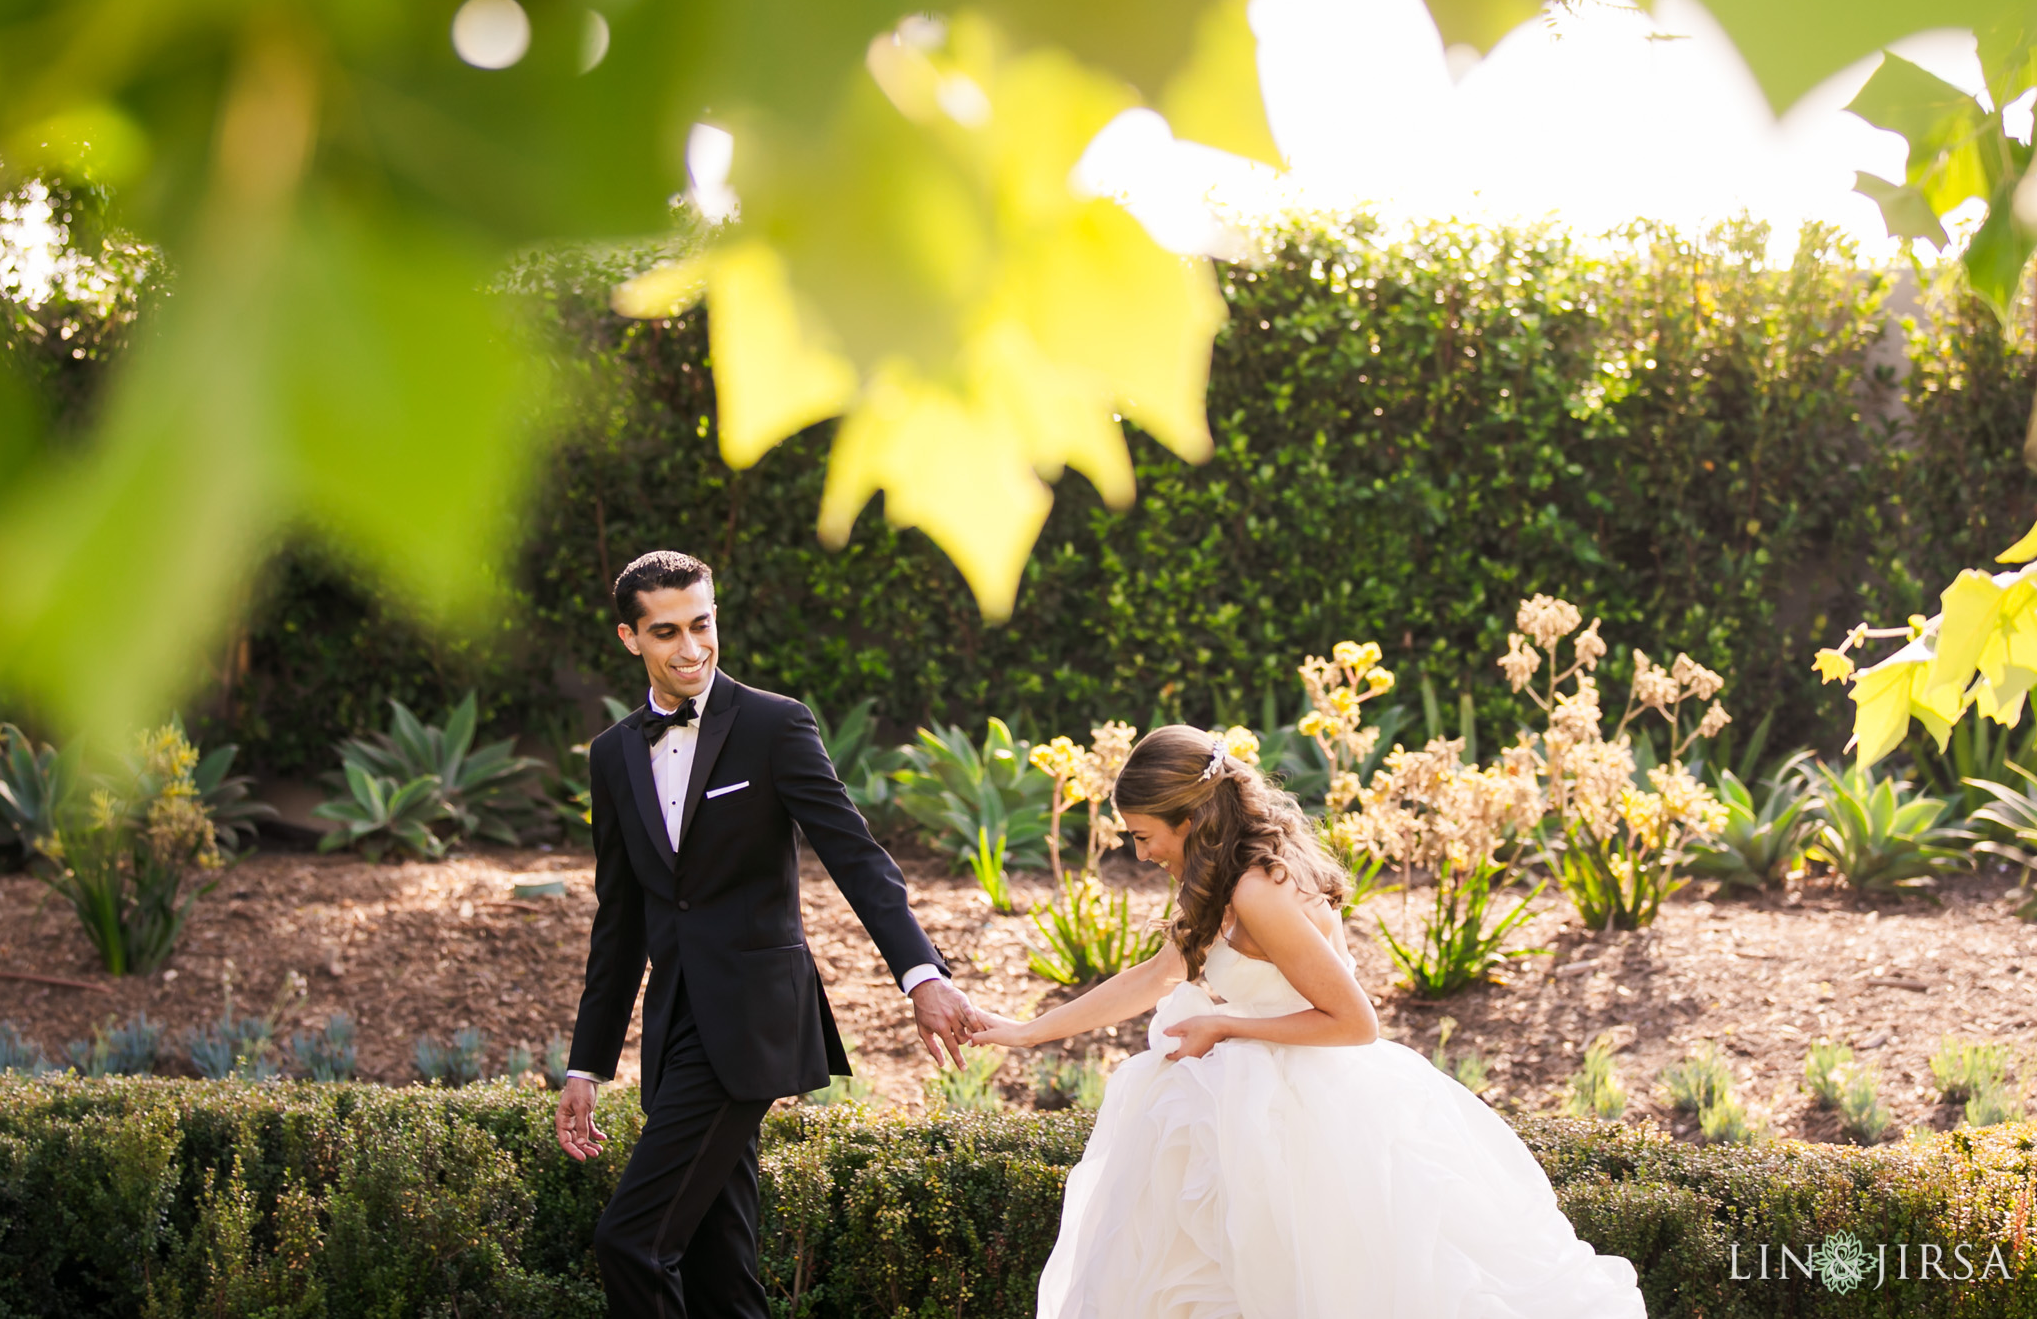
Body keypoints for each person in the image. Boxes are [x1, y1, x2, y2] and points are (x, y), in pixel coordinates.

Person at [968, 724, 1648, 1319]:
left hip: (1308, 1113)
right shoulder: (1218, 878)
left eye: (1144, 836)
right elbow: (1154, 976)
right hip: (1242, 1101)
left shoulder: (1256, 891)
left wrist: (1228, 1028)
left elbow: (1356, 1022)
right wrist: (1025, 1031)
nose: (1139, 853)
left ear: (1189, 818)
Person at [556, 549, 983, 1318]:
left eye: (703, 624)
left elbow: (855, 854)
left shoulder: (773, 724)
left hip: (752, 1018)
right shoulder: (613, 754)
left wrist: (921, 973)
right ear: (630, 638)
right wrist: (588, 1061)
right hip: (676, 1024)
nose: (691, 648)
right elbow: (618, 919)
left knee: (632, 1240)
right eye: (667, 633)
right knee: (724, 1276)